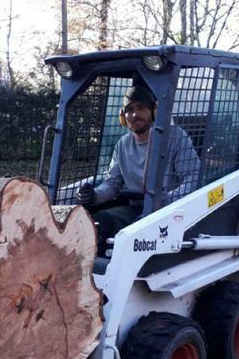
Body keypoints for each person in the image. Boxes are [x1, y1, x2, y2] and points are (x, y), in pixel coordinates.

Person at [78, 85, 200, 255]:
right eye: (129, 110)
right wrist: (95, 195)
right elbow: (112, 183)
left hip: (170, 212)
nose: (135, 115)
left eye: (141, 108)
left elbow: (192, 178)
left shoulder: (176, 137)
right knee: (99, 222)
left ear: (154, 111)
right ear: (123, 116)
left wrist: (165, 203)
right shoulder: (122, 145)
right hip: (136, 209)